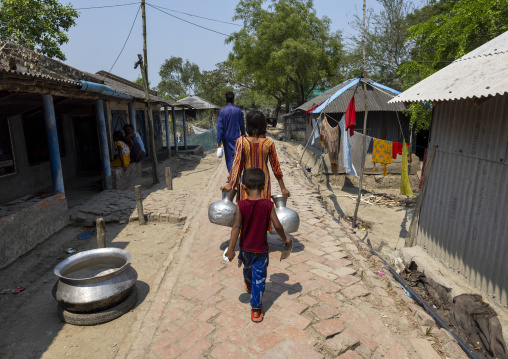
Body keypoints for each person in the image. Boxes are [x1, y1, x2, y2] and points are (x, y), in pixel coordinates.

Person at [225, 167, 291, 322]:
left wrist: (230, 248)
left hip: (244, 249)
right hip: (261, 250)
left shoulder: (241, 205)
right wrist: (285, 239)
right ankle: (256, 309)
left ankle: (248, 285)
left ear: (243, 187)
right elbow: (278, 226)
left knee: (247, 270)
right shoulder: (268, 205)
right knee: (259, 278)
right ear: (264, 187)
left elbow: (236, 227)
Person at [221, 110, 290, 200]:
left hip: (247, 184)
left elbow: (237, 165)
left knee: (246, 210)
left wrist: (231, 184)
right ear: (263, 124)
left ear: (248, 125)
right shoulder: (269, 143)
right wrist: (283, 188)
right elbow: (276, 167)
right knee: (263, 210)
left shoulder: (241, 141)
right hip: (263, 185)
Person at [217, 91, 246, 173]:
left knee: (229, 157)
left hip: (226, 138)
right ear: (234, 100)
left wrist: (218, 141)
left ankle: (231, 174)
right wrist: (243, 135)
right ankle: (237, 173)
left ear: (225, 100)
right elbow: (242, 125)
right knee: (237, 155)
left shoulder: (222, 112)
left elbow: (220, 127)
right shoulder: (238, 111)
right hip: (237, 137)